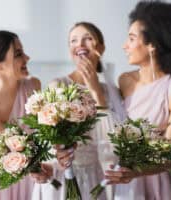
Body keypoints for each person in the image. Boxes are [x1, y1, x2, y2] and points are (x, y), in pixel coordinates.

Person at [105, 1, 171, 200]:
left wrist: (136, 171)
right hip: (125, 181)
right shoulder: (125, 81)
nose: (125, 45)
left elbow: (168, 157)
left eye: (132, 38)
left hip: (159, 181)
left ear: (153, 45)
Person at [30, 22, 126, 200]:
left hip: (94, 177)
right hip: (62, 174)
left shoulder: (110, 92)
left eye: (87, 38)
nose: (79, 45)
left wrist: (96, 90)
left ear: (101, 48)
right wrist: (57, 153)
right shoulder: (58, 85)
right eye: (73, 41)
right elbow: (45, 135)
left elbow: (114, 143)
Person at [0, 30, 41, 200]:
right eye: (19, 54)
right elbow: (17, 150)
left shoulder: (34, 85)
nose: (27, 58)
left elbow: (46, 134)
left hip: (40, 175)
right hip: (9, 182)